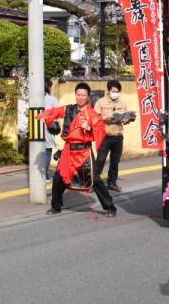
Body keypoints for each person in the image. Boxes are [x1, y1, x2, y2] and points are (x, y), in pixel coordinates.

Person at [42, 82, 117, 217]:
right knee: (59, 178)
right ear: (75, 95)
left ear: (88, 97)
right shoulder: (68, 109)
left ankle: (110, 207)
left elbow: (100, 131)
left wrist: (89, 128)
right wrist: (44, 115)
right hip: (68, 151)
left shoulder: (92, 114)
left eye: (83, 95)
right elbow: (55, 112)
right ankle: (56, 206)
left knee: (95, 180)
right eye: (78, 94)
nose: (80, 97)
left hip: (84, 152)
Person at [93, 79, 134, 192]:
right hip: (105, 136)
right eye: (113, 91)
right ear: (108, 90)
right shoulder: (100, 102)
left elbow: (125, 120)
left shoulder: (122, 103)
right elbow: (94, 118)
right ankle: (93, 182)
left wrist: (130, 119)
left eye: (117, 91)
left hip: (118, 136)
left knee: (115, 161)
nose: (115, 93)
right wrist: (105, 118)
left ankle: (112, 183)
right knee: (100, 160)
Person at [42, 80, 59, 180]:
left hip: (36, 129)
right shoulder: (52, 99)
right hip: (48, 128)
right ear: (48, 87)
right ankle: (44, 174)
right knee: (47, 151)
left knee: (38, 151)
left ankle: (40, 173)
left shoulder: (34, 98)